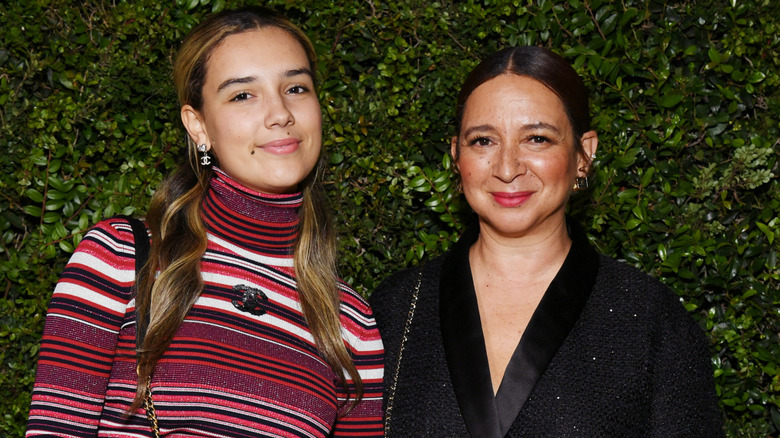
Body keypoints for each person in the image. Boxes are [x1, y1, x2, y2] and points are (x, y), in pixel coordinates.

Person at [26, 6, 383, 437]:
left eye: (296, 87)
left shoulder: (351, 322)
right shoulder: (121, 256)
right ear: (198, 126)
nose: (280, 113)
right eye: (242, 95)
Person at [370, 46, 723, 437]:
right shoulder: (397, 307)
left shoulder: (650, 321)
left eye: (537, 139)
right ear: (457, 156)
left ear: (583, 155)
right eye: (483, 141)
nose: (507, 168)